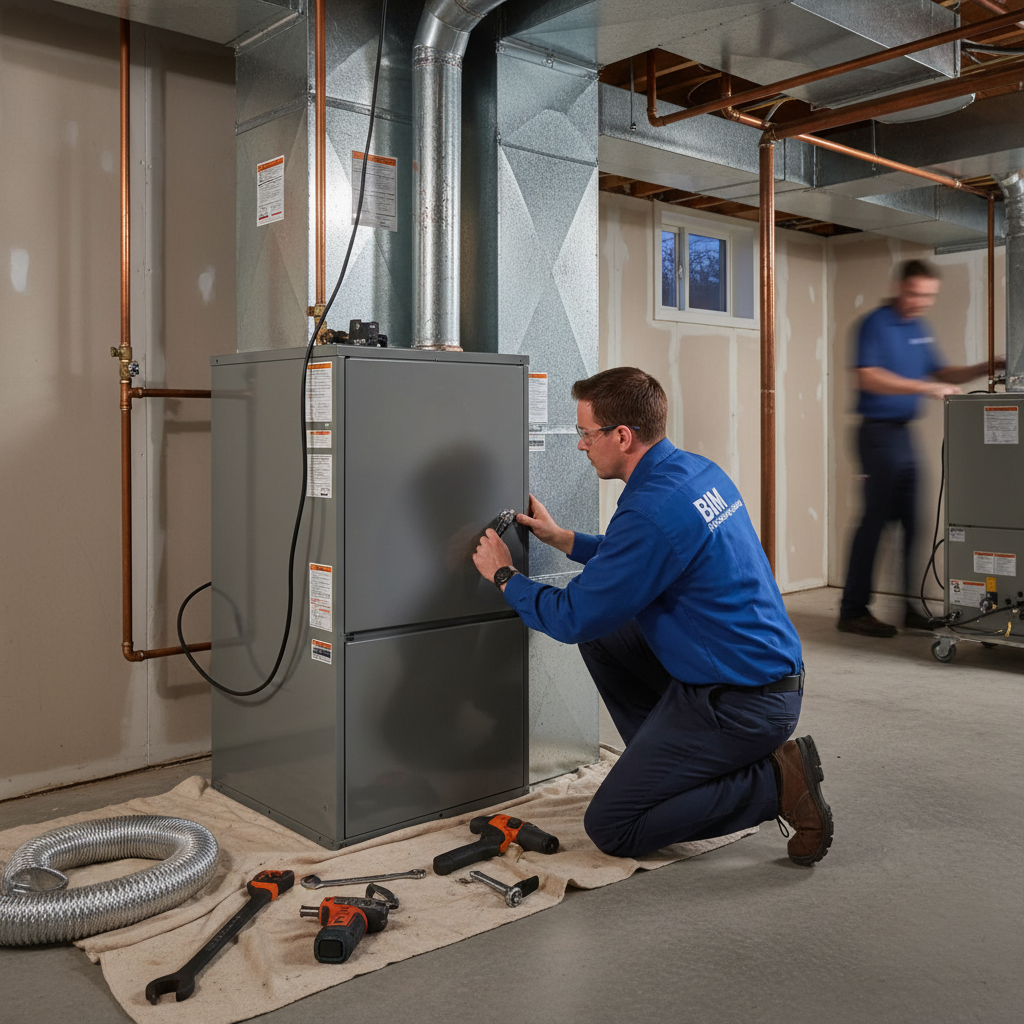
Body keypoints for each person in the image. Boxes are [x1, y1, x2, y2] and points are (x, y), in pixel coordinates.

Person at [472, 366, 833, 866]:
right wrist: (566, 540)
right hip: (754, 675)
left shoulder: (648, 510)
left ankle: (776, 783)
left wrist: (505, 577)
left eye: (586, 433)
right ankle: (669, 771)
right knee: (607, 634)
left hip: (743, 705)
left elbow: (572, 616)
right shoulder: (695, 472)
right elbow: (644, 554)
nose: (580, 444)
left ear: (622, 436)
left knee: (613, 827)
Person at [838, 260, 1002, 637]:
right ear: (900, 287)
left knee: (915, 521)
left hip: (903, 436)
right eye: (915, 294)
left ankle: (909, 608)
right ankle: (852, 610)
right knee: (874, 522)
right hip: (876, 433)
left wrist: (984, 366)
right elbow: (867, 376)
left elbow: (942, 373)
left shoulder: (919, 328)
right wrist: (923, 388)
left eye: (928, 296)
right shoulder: (874, 324)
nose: (921, 302)